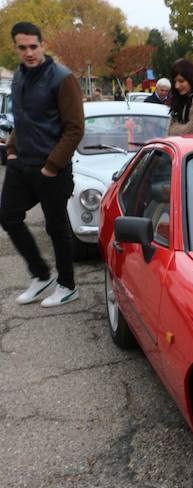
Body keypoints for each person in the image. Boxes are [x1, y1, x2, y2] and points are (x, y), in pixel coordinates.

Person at [0, 21, 85, 307]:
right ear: (16, 48)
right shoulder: (18, 77)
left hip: (52, 168)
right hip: (21, 164)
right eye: (22, 48)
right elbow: (22, 120)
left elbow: (75, 128)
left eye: (33, 47)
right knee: (8, 217)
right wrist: (12, 150)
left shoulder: (62, 78)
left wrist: (52, 166)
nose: (29, 53)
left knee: (56, 227)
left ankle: (67, 285)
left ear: (43, 45)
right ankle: (40, 275)